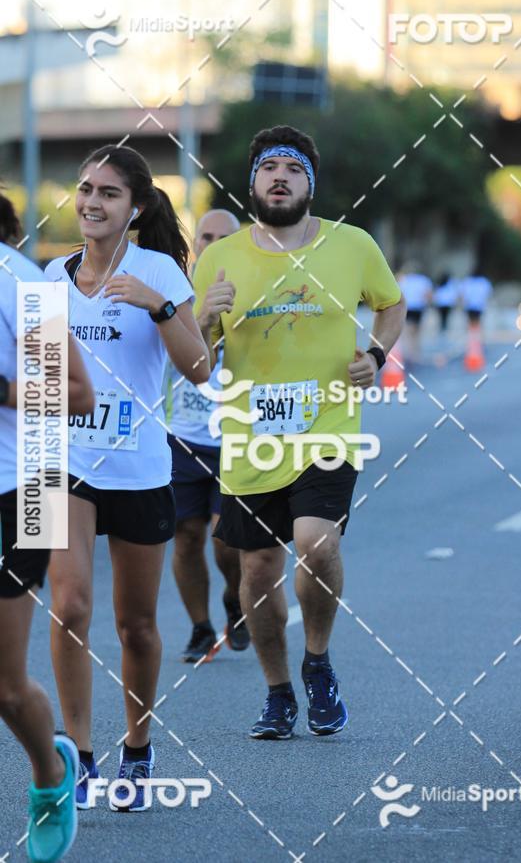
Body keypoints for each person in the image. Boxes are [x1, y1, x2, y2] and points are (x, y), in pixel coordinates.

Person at [194, 125, 405, 739]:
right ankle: (278, 692)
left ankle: (317, 660)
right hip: (250, 439)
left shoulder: (353, 245)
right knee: (256, 572)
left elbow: (391, 305)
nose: (279, 176)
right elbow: (195, 356)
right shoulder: (219, 257)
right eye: (268, 168)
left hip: (328, 430)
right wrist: (205, 316)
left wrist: (377, 351)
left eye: (292, 168)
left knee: (317, 544)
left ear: (310, 184)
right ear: (252, 182)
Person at [44, 146, 211, 811]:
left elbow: (199, 369)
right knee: (70, 604)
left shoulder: (159, 270)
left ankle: (137, 751)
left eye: (109, 193)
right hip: (58, 467)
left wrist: (160, 306)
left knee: (135, 625)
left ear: (135, 207)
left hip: (140, 467)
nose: (92, 202)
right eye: (85, 189)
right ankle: (78, 755)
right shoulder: (48, 279)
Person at [0, 192, 94, 860]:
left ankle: (50, 773)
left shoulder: (23, 284)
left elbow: (76, 395)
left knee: (4, 683)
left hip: (26, 483)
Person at [165, 209, 250, 662]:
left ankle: (235, 600)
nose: (214, 243)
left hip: (233, 436)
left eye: (224, 237)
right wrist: (202, 316)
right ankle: (200, 627)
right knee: (186, 536)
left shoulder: (253, 287)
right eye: (206, 236)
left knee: (226, 540)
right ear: (195, 241)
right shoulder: (173, 291)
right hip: (181, 435)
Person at [397, 264, 432, 364]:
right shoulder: (423, 280)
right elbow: (428, 295)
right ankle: (416, 354)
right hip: (419, 308)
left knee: (407, 332)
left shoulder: (403, 279)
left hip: (408, 307)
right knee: (417, 331)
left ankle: (408, 353)